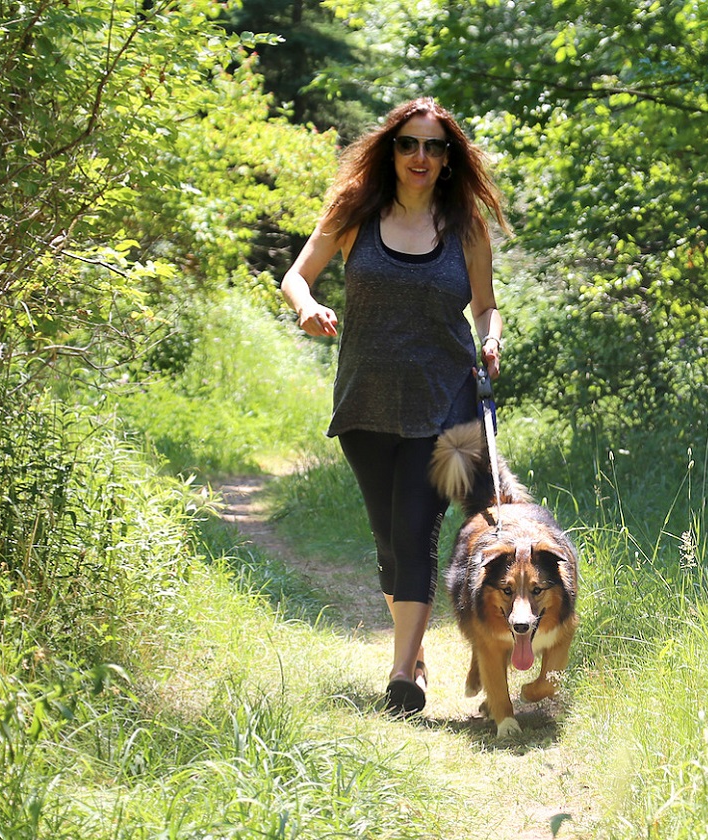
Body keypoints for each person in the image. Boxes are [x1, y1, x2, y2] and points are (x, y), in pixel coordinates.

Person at [279, 98, 509, 716]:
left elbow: (485, 305)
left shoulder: (464, 227)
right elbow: (297, 276)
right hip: (366, 397)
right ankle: (416, 654)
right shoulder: (356, 213)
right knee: (387, 539)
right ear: (392, 149)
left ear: (449, 159)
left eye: (435, 147)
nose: (421, 157)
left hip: (444, 400)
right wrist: (307, 308)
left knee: (415, 529)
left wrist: (490, 336)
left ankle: (403, 674)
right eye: (410, 144)